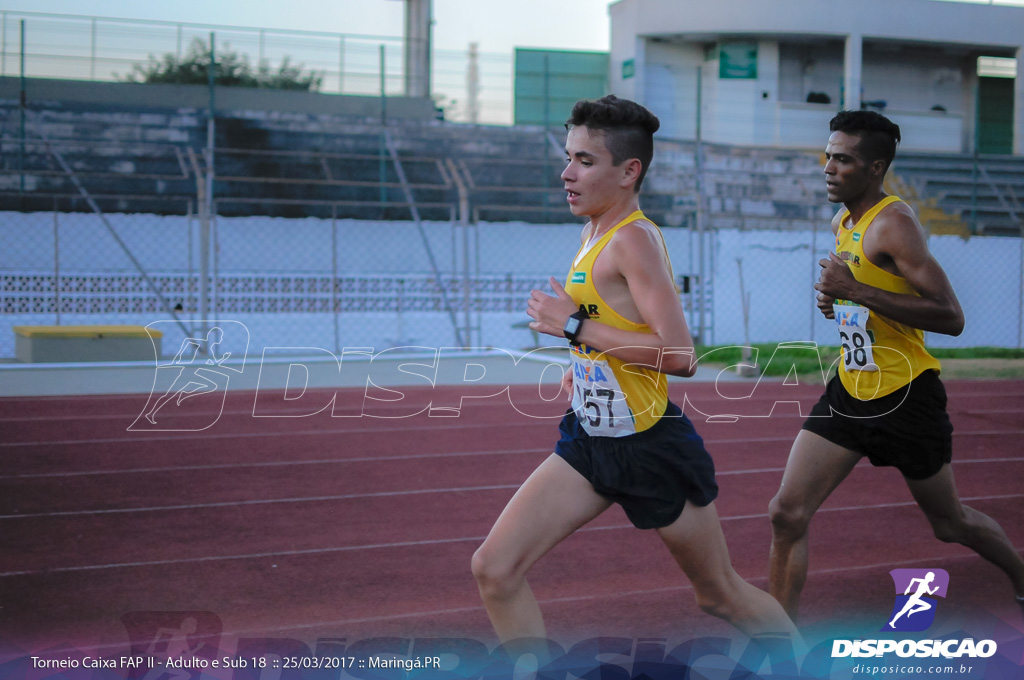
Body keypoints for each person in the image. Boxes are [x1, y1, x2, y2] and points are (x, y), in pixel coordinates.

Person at [471, 95, 800, 650]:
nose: (567, 172)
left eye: (584, 161)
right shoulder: (593, 230)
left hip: (649, 445)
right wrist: (585, 367)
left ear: (629, 171)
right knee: (494, 569)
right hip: (590, 440)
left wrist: (575, 329)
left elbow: (679, 355)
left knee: (719, 595)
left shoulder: (633, 239)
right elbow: (618, 327)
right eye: (569, 157)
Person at [768, 109, 1024, 621]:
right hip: (849, 390)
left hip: (906, 397)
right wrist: (838, 302)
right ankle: (779, 637)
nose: (828, 167)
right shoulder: (845, 219)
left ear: (876, 168)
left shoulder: (896, 225)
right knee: (786, 512)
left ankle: (1020, 578)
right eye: (828, 156)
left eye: (843, 159)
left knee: (950, 524)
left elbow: (951, 317)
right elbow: (862, 295)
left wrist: (852, 290)